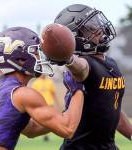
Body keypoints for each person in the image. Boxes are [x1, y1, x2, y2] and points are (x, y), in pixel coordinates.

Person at [0, 27, 85, 150]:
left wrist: (68, 112)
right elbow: (67, 129)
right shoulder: (23, 94)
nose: (41, 57)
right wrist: (78, 88)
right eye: (36, 52)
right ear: (20, 59)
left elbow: (32, 129)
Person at [51, 4, 132, 150]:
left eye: (96, 24)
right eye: (90, 27)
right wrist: (68, 58)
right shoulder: (85, 64)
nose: (99, 29)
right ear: (75, 37)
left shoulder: (110, 62)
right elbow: (79, 68)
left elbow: (112, 109)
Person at [32, 74, 61, 141]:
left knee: (50, 120)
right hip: (40, 104)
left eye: (44, 73)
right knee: (41, 120)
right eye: (42, 73)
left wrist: (57, 103)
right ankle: (43, 135)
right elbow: (34, 94)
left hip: (49, 104)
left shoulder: (50, 82)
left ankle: (47, 135)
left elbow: (53, 93)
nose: (43, 75)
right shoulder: (36, 82)